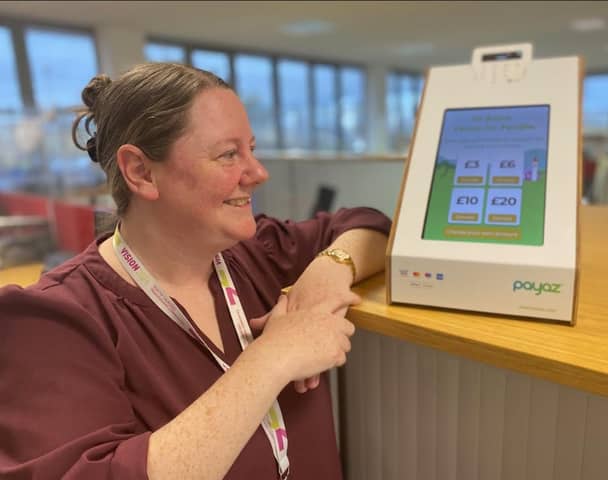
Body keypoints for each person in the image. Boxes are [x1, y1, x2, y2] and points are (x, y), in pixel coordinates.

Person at [0, 62, 390, 480]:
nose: (258, 173)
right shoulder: (56, 323)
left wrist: (328, 272)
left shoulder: (255, 253)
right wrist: (273, 357)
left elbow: (370, 227)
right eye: (228, 155)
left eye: (252, 150)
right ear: (141, 172)